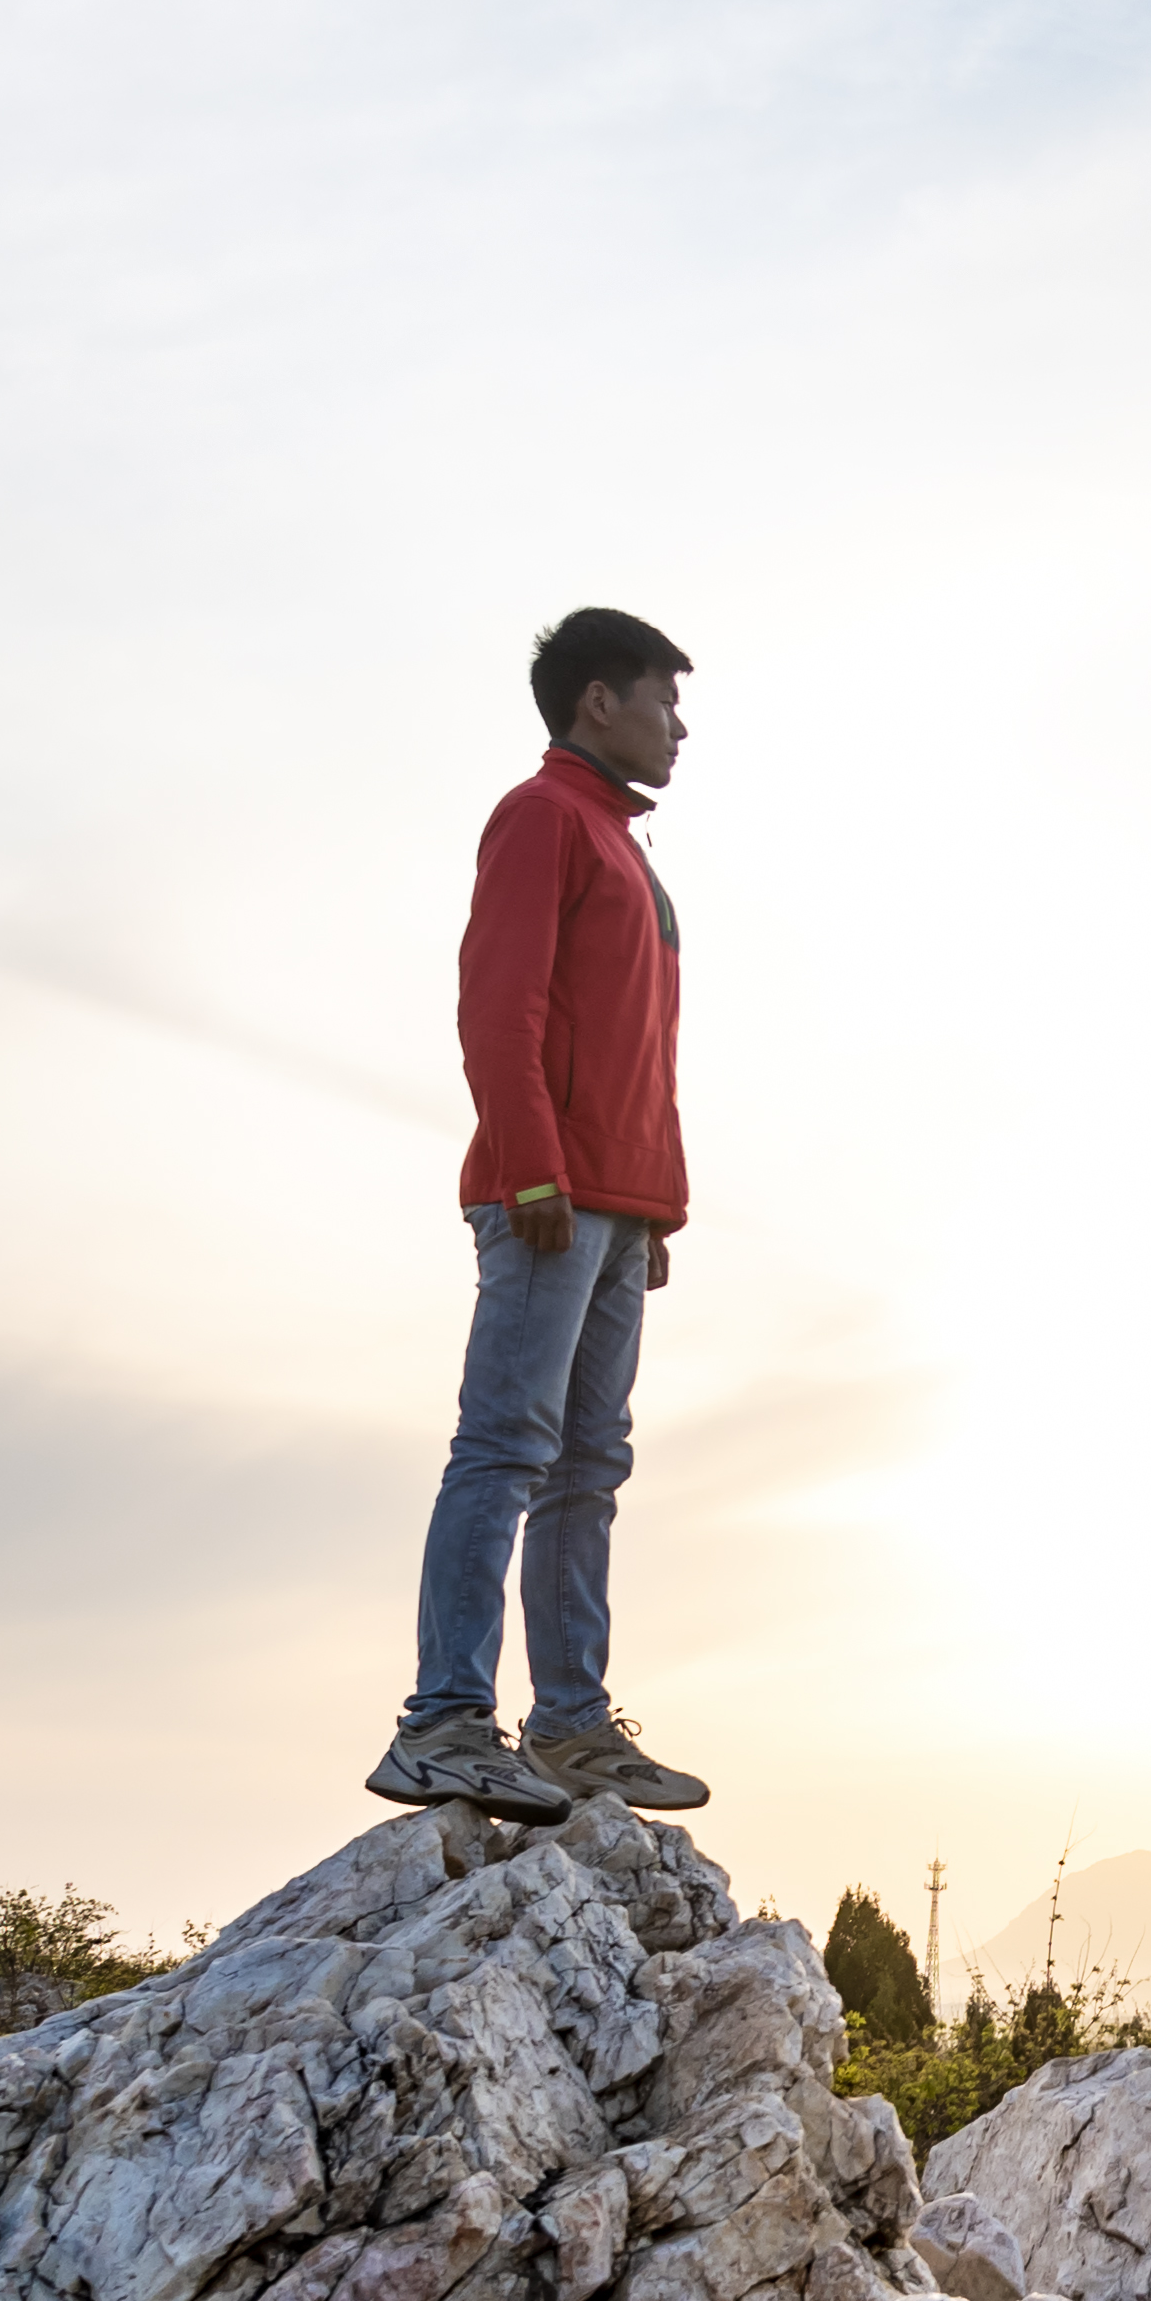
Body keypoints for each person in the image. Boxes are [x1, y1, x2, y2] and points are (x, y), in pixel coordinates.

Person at [370, 608, 719, 1825]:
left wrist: (652, 1206)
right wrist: (531, 1171)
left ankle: (570, 1725)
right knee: (506, 1446)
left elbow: (637, 1050)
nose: (680, 724)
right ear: (595, 703)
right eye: (663, 700)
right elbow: (499, 1006)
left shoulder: (624, 844)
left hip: (613, 1204)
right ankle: (443, 1722)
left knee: (588, 1465)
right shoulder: (543, 818)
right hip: (546, 1197)